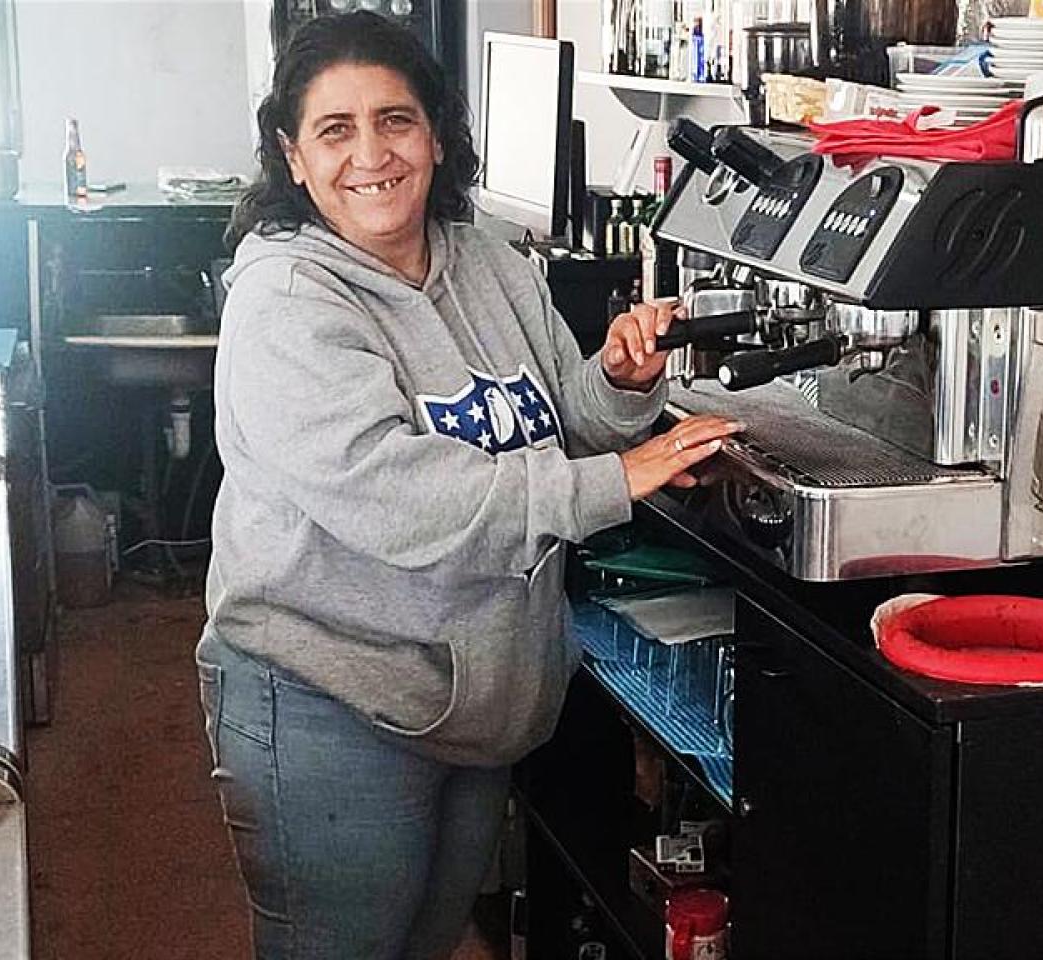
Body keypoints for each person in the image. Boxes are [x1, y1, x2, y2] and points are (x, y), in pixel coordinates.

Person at [196, 12, 739, 959]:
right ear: (291, 156)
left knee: (425, 944)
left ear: (437, 135)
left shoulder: (489, 259)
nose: (372, 153)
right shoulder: (285, 303)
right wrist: (612, 483)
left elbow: (549, 417)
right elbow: (400, 497)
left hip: (476, 699)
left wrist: (615, 382)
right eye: (336, 129)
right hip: (332, 701)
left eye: (396, 120)